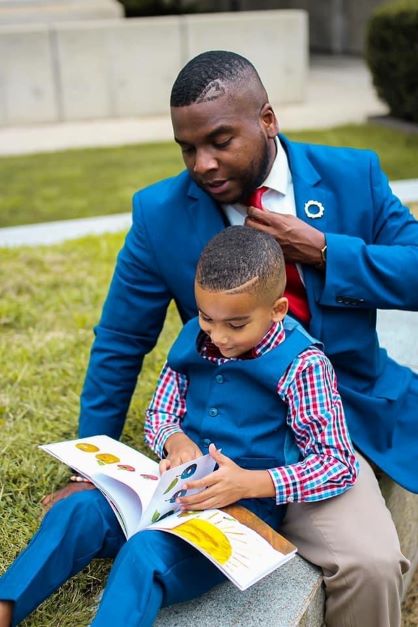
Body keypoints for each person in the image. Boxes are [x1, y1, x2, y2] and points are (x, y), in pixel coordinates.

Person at [32, 50, 418, 626]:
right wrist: (93, 469)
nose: (203, 164)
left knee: (373, 562)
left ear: (267, 120)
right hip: (224, 446)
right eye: (188, 148)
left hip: (336, 425)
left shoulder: (352, 176)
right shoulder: (160, 214)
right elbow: (119, 341)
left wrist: (326, 251)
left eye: (219, 141)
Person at [0, 226, 358, 626]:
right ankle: (6, 608)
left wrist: (251, 483)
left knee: (145, 552)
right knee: (78, 510)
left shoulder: (303, 365)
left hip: (240, 517)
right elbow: (160, 414)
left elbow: (338, 463)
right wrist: (176, 440)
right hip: (168, 496)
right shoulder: (194, 339)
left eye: (236, 325)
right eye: (207, 317)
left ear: (277, 310)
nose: (218, 336)